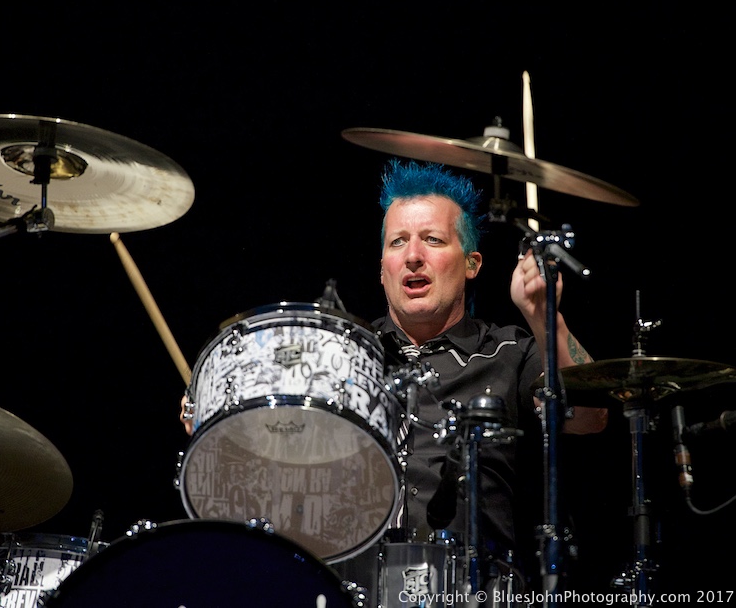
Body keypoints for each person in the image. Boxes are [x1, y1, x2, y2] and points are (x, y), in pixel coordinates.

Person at [180, 158, 607, 598]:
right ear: (382, 267)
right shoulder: (340, 356)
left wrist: (544, 317)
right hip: (344, 586)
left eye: (433, 240)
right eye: (398, 242)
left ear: (472, 263)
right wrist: (221, 424)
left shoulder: (509, 350)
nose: (413, 256)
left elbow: (591, 417)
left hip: (476, 589)